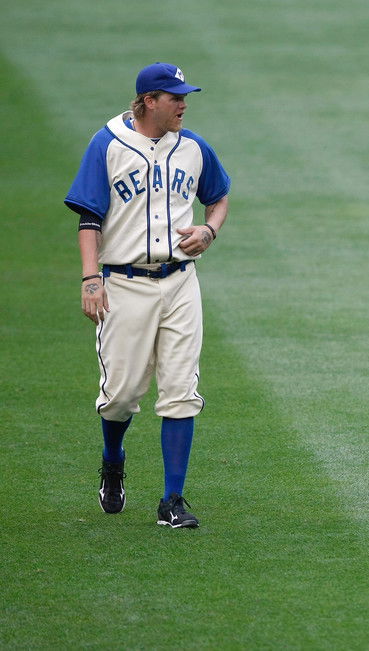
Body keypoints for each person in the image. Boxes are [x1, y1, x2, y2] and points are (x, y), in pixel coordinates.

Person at [65, 62, 231, 529]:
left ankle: (172, 500)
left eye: (185, 96)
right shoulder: (109, 144)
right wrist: (89, 277)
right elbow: (88, 218)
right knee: (119, 397)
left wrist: (209, 230)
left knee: (180, 392)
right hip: (123, 284)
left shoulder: (194, 147)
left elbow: (218, 196)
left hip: (180, 283)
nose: (183, 104)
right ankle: (113, 460)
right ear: (148, 101)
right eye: (175, 97)